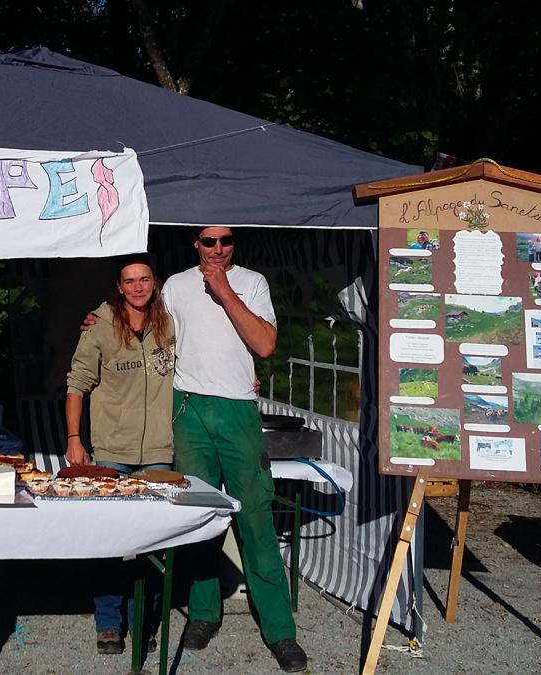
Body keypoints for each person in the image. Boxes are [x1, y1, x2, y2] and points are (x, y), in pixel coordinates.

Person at [162, 226, 306, 672]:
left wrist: (225, 292)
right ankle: (204, 613)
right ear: (195, 244)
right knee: (201, 514)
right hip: (188, 407)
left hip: (238, 409)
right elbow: (153, 336)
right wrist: (99, 320)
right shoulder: (175, 285)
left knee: (255, 518)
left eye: (226, 241)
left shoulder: (252, 282)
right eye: (209, 242)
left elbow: (264, 344)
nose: (218, 249)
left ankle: (280, 630)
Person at [65, 256, 175, 655]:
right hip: (111, 450)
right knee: (111, 544)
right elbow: (76, 384)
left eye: (144, 279)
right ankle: (110, 622)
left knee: (153, 544)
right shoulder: (100, 326)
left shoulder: (172, 322)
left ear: (155, 282)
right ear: (119, 286)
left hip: (159, 452)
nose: (138, 287)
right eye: (130, 281)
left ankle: (145, 619)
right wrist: (75, 438)